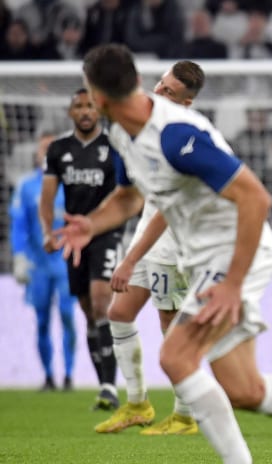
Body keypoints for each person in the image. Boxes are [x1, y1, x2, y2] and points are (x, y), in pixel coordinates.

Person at [58, 44, 272, 464]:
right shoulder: (121, 135)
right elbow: (129, 198)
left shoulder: (176, 135)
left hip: (236, 250)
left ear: (98, 97)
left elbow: (256, 197)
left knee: (176, 357)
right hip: (203, 257)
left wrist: (232, 284)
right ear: (139, 80)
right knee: (244, 389)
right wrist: (92, 224)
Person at [93, 60, 205, 435]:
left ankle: (186, 414)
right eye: (160, 83)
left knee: (170, 323)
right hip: (147, 232)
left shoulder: (185, 138)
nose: (158, 91)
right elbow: (137, 194)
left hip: (173, 242)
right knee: (120, 312)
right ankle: (138, 404)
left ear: (186, 103)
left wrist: (130, 259)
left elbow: (170, 210)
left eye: (168, 91)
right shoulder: (144, 128)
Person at [39, 88, 121, 410]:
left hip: (106, 233)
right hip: (74, 238)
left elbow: (125, 193)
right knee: (88, 311)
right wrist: (48, 233)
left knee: (102, 303)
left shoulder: (114, 146)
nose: (85, 111)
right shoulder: (59, 149)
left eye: (90, 106)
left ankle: (111, 387)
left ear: (98, 111)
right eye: (79, 107)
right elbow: (47, 198)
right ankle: (104, 387)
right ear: (70, 112)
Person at [10, 132, 77, 392]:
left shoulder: (71, 184)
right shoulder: (26, 186)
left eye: (52, 148)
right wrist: (19, 257)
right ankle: (48, 376)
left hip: (66, 263)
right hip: (38, 265)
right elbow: (19, 225)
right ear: (37, 155)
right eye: (43, 149)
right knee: (42, 320)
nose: (47, 153)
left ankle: (69, 375)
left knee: (68, 316)